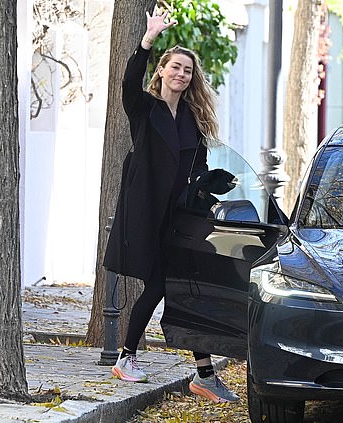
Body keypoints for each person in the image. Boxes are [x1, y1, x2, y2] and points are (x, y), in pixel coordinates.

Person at [102, 6, 240, 404]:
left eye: (187, 70)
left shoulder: (193, 119)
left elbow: (197, 167)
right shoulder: (145, 110)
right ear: (161, 71)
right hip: (148, 215)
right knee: (163, 284)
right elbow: (129, 81)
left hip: (182, 218)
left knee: (179, 287)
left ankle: (199, 373)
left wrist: (209, 185)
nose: (181, 74)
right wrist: (147, 41)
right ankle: (143, 361)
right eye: (175, 67)